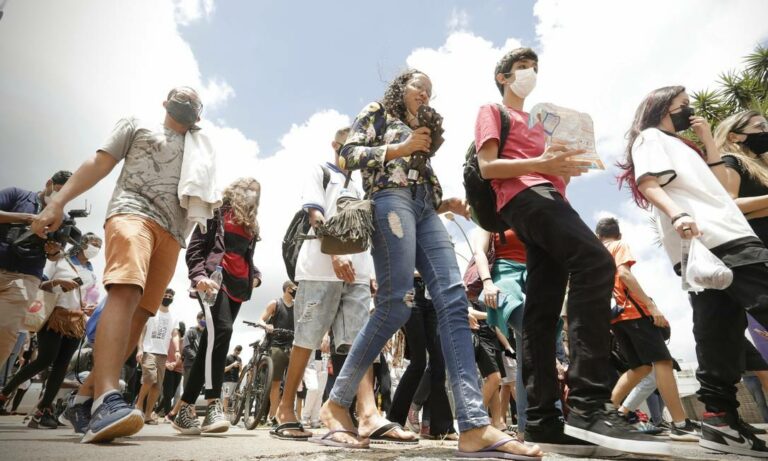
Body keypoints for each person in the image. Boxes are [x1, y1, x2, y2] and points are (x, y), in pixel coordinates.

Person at [321, 68, 542, 459]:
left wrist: (446, 202)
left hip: (424, 209)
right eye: (418, 86)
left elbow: (418, 179)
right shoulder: (378, 113)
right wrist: (399, 148)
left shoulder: (422, 131)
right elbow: (348, 155)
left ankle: (474, 425)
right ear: (401, 87)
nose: (425, 94)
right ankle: (336, 405)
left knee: (455, 302)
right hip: (389, 200)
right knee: (393, 305)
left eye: (430, 91)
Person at [474, 47, 666, 457]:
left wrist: (563, 165)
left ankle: (543, 421)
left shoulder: (543, 121)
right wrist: (542, 162)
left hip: (548, 196)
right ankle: (588, 403)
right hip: (523, 197)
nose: (530, 73)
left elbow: (549, 165)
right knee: (596, 262)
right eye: (522, 68)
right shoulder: (492, 110)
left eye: (535, 68)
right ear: (504, 77)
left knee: (542, 314)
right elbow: (488, 167)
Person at [34, 86, 215, 443]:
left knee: (142, 314)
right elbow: (99, 162)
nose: (187, 97)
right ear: (164, 102)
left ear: (200, 113)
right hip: (132, 213)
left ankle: (84, 399)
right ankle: (106, 398)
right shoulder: (137, 123)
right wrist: (58, 202)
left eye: (194, 98)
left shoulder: (201, 147)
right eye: (179, 94)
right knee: (126, 290)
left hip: (173, 233)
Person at [618, 85, 768, 457]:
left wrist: (706, 140)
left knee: (718, 332)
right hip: (715, 237)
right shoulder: (650, 137)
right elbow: (648, 181)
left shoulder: (685, 148)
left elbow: (721, 190)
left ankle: (719, 420)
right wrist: (678, 213)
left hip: (708, 244)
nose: (689, 112)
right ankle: (721, 420)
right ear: (660, 109)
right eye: (682, 106)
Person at [595, 217, 699, 441]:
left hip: (614, 318)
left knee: (640, 367)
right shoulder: (618, 245)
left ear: (597, 236)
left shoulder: (594, 253)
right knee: (663, 362)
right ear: (619, 234)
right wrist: (651, 306)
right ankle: (681, 423)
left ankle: (607, 412)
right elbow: (624, 274)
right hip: (633, 312)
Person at [173, 177, 262, 435]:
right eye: (247, 189)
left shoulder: (251, 224)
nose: (251, 195)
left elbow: (244, 254)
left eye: (256, 192)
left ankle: (183, 409)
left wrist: (255, 274)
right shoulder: (216, 213)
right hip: (214, 282)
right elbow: (196, 248)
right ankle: (213, 404)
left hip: (238, 287)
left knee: (212, 344)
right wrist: (199, 276)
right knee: (222, 331)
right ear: (234, 189)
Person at [0, 232, 100, 428]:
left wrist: (87, 306)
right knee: (45, 359)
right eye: (92, 243)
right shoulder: (59, 262)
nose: (95, 248)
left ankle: (43, 410)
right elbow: (38, 284)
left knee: (61, 366)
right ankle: (6, 392)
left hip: (75, 320)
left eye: (99, 245)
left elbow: (83, 296)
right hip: (52, 315)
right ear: (82, 244)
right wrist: (57, 283)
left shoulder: (91, 271)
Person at [0, 170, 72, 366]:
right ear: (49, 183)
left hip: (25, 277)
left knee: (5, 329)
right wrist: (27, 218)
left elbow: (55, 255)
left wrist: (53, 251)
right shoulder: (16, 194)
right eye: (59, 190)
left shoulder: (63, 219)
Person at [471, 228, 528, 438]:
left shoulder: (531, 211)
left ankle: (525, 427)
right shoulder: (490, 214)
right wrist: (487, 282)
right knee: (532, 337)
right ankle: (527, 425)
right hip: (502, 280)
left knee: (531, 352)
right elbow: (479, 250)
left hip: (533, 276)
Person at [389, 274, 457, 440]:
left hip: (433, 295)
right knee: (418, 363)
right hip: (410, 292)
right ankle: (394, 421)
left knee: (438, 363)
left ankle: (442, 427)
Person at [136, 288, 179, 425]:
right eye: (165, 295)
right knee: (149, 377)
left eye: (170, 296)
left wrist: (177, 350)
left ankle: (148, 414)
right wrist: (139, 349)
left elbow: (175, 334)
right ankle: (138, 407)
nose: (167, 297)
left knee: (157, 386)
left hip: (163, 354)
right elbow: (141, 331)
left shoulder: (174, 317)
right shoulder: (151, 313)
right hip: (149, 350)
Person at [258, 281, 296, 425]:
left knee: (292, 383)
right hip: (277, 346)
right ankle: (273, 415)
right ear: (288, 289)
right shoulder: (275, 303)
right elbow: (260, 319)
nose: (297, 291)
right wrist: (266, 325)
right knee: (276, 383)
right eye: (295, 288)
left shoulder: (297, 306)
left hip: (292, 347)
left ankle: (286, 413)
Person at [222, 345, 243, 414]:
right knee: (226, 397)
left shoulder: (239, 359)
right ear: (234, 349)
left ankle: (234, 414)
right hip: (227, 381)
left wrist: (240, 366)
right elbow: (224, 369)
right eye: (237, 351)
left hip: (236, 380)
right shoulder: (227, 357)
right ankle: (225, 413)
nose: (238, 353)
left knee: (236, 398)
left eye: (239, 352)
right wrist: (232, 365)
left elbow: (240, 371)